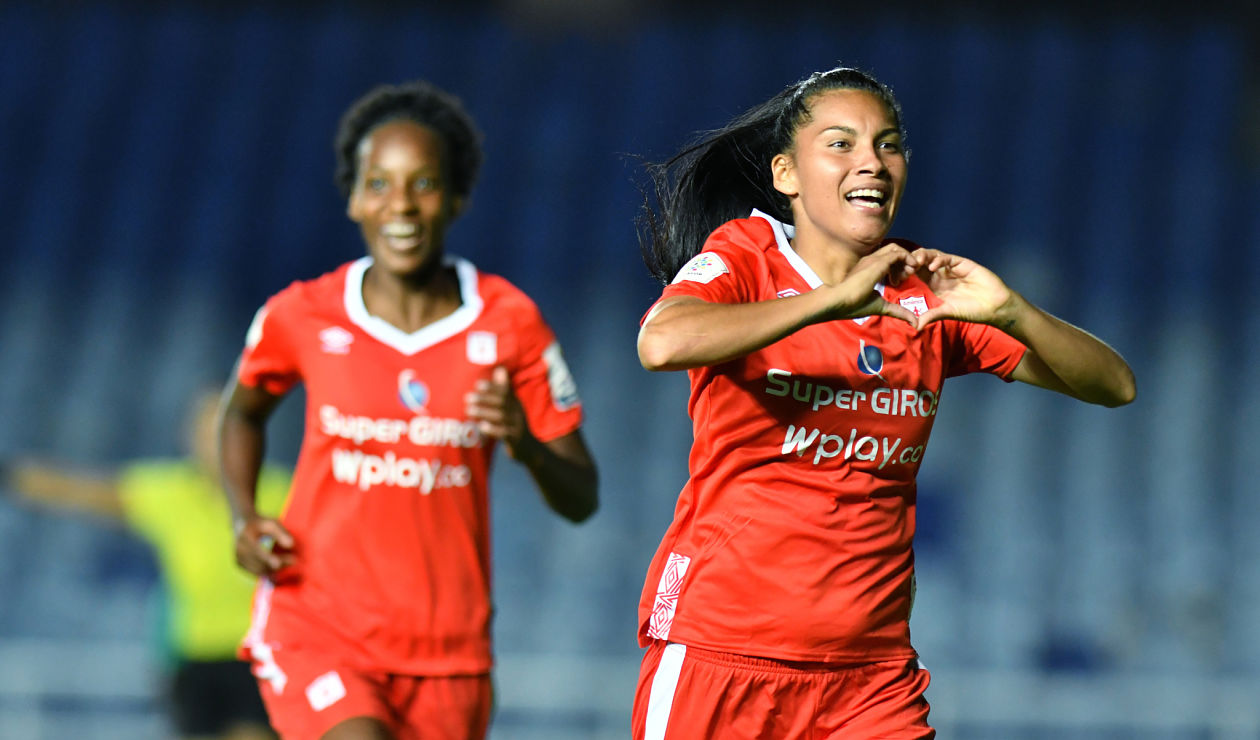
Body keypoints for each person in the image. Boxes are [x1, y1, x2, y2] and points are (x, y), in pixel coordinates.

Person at [630, 66, 1136, 739]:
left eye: (888, 144)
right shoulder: (747, 257)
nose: (870, 160)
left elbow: (1113, 385)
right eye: (840, 143)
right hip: (720, 652)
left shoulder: (923, 293)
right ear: (786, 174)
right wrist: (829, 302)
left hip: (869, 681)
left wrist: (1014, 311)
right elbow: (662, 342)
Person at [218, 80, 599, 740]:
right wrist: (245, 517)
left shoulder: (510, 322)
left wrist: (526, 443)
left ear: (455, 197)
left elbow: (581, 497)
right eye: (379, 183)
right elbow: (242, 413)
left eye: (422, 184)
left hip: (450, 655)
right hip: (318, 624)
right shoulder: (301, 314)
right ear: (355, 198)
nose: (401, 205)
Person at [4, 388, 287, 740]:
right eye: (204, 430)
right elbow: (84, 491)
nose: (213, 443)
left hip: (257, 656)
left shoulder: (282, 494)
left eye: (223, 429)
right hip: (193, 659)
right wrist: (12, 475)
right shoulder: (168, 494)